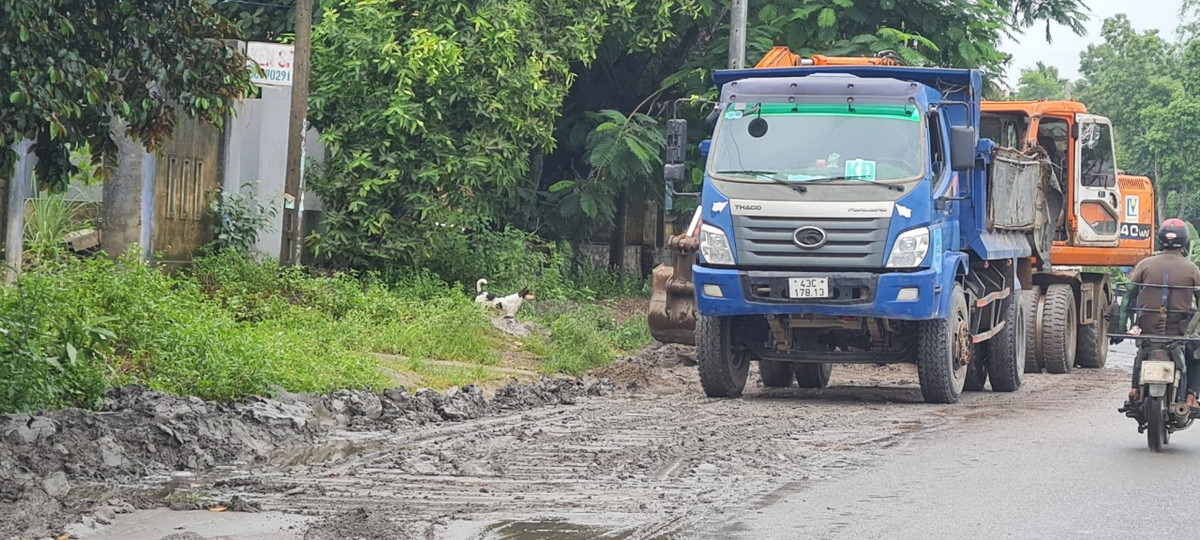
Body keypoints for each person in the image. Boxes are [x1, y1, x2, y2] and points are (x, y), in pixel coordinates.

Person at [1118, 218, 1200, 407]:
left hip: (1148, 328)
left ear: (1160, 241)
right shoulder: (1192, 270)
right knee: (1195, 356)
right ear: (1185, 243)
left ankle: (1135, 389)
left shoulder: (1144, 265)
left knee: (1141, 353)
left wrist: (1122, 328)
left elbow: (1128, 298)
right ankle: (1191, 396)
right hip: (1178, 332)